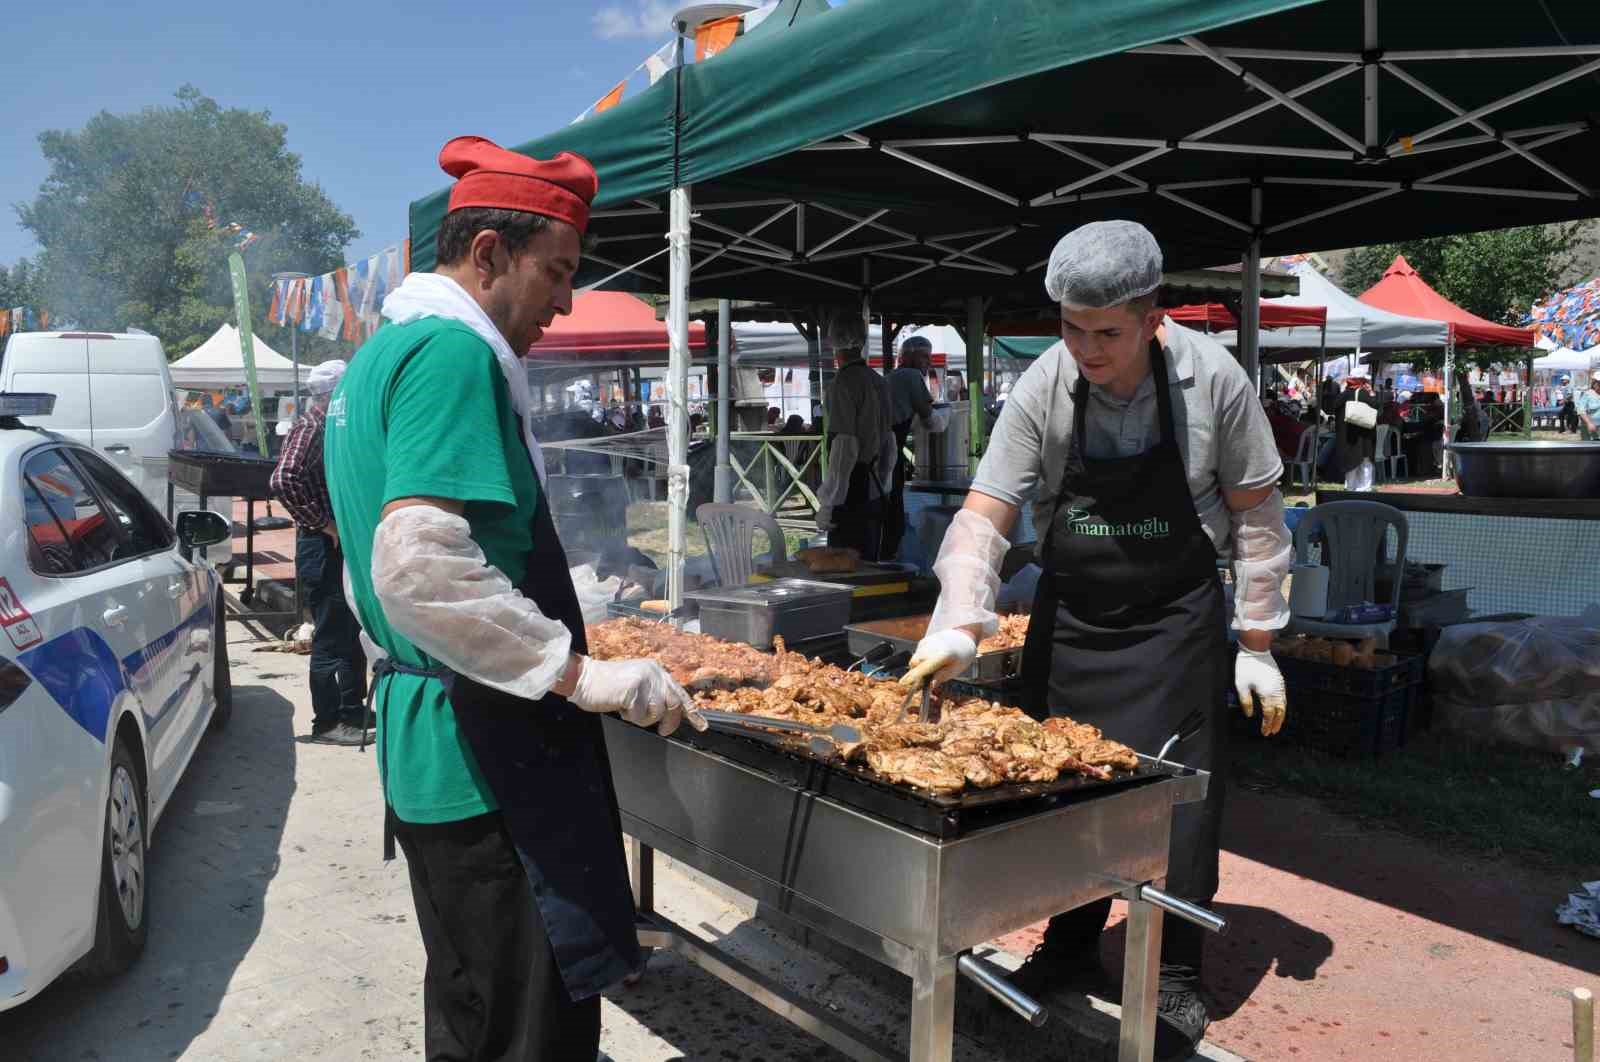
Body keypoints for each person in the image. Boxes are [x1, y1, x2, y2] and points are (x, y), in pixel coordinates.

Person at [324, 135, 703, 1060]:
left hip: (429, 749)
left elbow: (365, 547)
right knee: (527, 1031)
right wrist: (577, 674)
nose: (568, 300)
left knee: (472, 1018)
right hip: (485, 756)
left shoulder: (379, 355)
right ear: (488, 254)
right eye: (557, 272)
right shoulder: (455, 355)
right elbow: (414, 567)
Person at [898, 220, 1289, 1059]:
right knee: (1059, 793)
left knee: (1179, 802)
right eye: (1071, 328)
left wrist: (1257, 640)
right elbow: (985, 514)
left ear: (1154, 319)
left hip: (1177, 619)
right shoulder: (1046, 381)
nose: (1086, 348)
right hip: (1071, 618)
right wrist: (963, 621)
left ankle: (1178, 974)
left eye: (1106, 331)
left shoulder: (1214, 381)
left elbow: (1258, 516)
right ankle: (1069, 944)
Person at [270, 360, 370, 746]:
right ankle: (327, 722)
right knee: (331, 636)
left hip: (334, 545)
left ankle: (351, 709)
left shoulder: (331, 427)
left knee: (349, 628)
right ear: (333, 395)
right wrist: (323, 524)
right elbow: (283, 479)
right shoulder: (311, 428)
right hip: (320, 546)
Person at [815, 312, 895, 559]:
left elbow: (843, 447)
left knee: (845, 565)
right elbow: (889, 443)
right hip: (873, 485)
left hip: (852, 487)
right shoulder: (878, 380)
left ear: (833, 342)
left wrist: (830, 503)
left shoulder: (843, 383)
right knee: (869, 560)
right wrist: (884, 482)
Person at [887, 334, 936, 553]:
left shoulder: (893, 376)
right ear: (910, 356)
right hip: (889, 449)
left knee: (887, 502)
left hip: (883, 448)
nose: (929, 362)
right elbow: (928, 416)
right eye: (925, 357)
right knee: (893, 506)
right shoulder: (911, 375)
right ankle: (891, 554)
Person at [1335, 370, 1379, 490]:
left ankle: (1350, 486)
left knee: (1350, 460)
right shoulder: (1363, 393)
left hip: (1348, 435)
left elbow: (1334, 407)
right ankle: (1364, 487)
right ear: (1361, 380)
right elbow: (1375, 406)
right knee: (1365, 460)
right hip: (1363, 434)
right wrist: (1371, 393)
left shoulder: (1344, 394)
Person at [1577, 374, 1600, 440]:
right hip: (1590, 429)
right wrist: (1589, 423)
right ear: (1594, 383)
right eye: (1599, 383)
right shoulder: (1587, 394)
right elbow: (1581, 410)